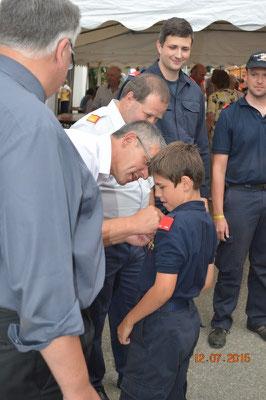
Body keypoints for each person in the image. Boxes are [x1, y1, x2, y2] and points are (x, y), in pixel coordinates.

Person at [0, 1, 104, 399]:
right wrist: (79, 387)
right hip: (23, 344)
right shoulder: (30, 122)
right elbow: (41, 271)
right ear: (63, 51)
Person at [68, 73, 169, 400]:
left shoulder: (140, 138)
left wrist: (145, 223)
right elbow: (67, 225)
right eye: (149, 115)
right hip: (101, 242)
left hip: (132, 240)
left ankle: (129, 378)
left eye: (157, 118)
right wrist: (128, 226)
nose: (153, 121)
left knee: (130, 314)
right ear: (129, 100)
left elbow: (147, 182)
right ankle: (92, 384)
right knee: (92, 320)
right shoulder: (90, 132)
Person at [117, 142, 218, 400]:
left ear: (185, 183)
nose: (158, 194)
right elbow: (207, 280)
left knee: (142, 391)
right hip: (187, 322)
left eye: (161, 186)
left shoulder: (171, 226)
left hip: (160, 326)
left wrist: (129, 320)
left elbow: (163, 290)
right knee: (173, 389)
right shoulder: (207, 220)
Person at [208, 52, 266, 349]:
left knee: (263, 264)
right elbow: (218, 167)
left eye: (265, 74)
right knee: (231, 264)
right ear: (246, 76)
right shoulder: (231, 113)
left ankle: (258, 317)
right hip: (240, 196)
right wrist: (218, 214)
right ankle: (221, 320)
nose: (260, 79)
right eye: (255, 73)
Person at [145, 17, 210, 210]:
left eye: (185, 49)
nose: (178, 54)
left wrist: (202, 194)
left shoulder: (195, 91)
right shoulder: (140, 86)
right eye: (173, 47)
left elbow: (202, 148)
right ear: (159, 46)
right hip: (152, 195)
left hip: (187, 194)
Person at [206, 69, 239, 149]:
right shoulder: (235, 94)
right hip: (232, 135)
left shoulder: (213, 97)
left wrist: (204, 135)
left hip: (217, 137)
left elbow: (210, 118)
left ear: (214, 82)